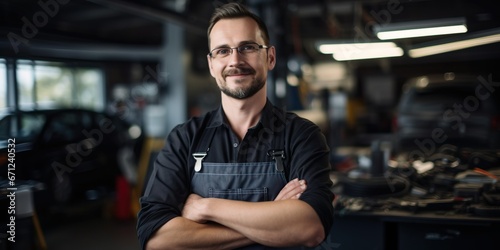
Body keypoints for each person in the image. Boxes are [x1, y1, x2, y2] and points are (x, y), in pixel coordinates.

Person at [137, 3, 334, 249]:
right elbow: (156, 238)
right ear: (211, 65)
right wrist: (275, 217)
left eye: (248, 47)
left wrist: (205, 207)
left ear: (270, 57)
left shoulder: (302, 136)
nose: (235, 60)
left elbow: (310, 227)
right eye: (222, 51)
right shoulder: (185, 138)